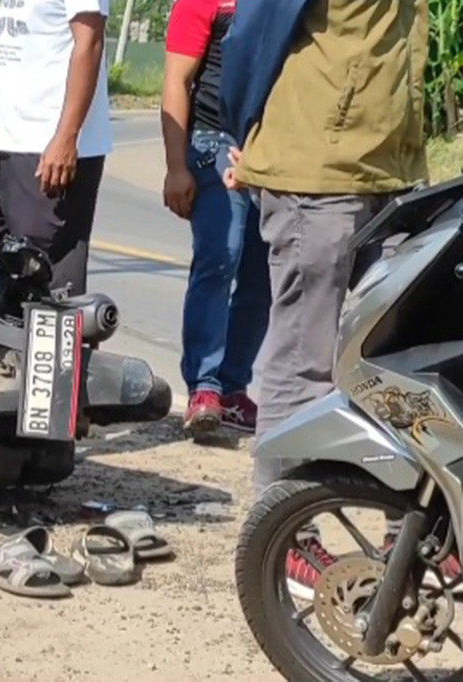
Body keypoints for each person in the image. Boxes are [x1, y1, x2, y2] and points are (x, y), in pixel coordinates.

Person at [223, 0, 438, 596]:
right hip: (314, 171)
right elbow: (253, 34)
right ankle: (282, 538)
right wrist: (240, 133)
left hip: (388, 171)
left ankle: (410, 532)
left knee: (397, 360)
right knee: (304, 361)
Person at [161, 0, 270, 437]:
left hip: (270, 143)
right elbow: (176, 80)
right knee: (220, 257)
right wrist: (176, 167)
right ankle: (205, 387)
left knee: (262, 272)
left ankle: (232, 388)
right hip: (212, 138)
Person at [0, 0, 111, 296]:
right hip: (7, 151)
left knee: (44, 289)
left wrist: (66, 138)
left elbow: (90, 42)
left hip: (47, 152)